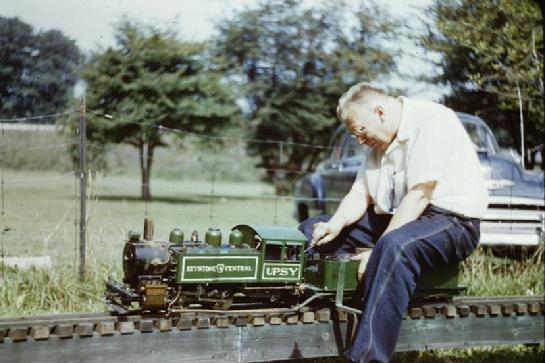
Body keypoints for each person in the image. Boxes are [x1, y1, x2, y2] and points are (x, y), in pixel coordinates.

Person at [298, 83, 488, 363]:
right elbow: (360, 193)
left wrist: (375, 251)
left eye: (361, 131)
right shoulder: (379, 141)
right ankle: (319, 304)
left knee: (393, 246)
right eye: (355, 135)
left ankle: (367, 357)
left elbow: (419, 195)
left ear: (380, 112)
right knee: (313, 229)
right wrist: (335, 225)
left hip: (454, 221)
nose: (360, 141)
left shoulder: (432, 121)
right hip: (405, 217)